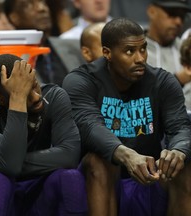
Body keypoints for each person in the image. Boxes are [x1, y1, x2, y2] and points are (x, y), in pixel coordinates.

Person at [63, 17, 191, 216]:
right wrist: (125, 154)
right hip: (98, 181)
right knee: (101, 161)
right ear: (107, 53)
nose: (140, 58)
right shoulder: (80, 81)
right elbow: (89, 126)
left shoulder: (162, 81)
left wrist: (178, 150)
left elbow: (181, 126)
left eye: (143, 49)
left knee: (183, 162)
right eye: (129, 51)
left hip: (150, 178)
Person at [0, 53, 87, 216]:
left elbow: (69, 155)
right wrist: (17, 100)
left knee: (71, 177)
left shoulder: (54, 96)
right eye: (25, 94)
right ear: (1, 99)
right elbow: (11, 164)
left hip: (38, 188)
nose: (36, 97)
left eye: (34, 85)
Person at [4, 0, 82, 86]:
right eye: (29, 4)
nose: (42, 8)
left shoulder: (76, 47)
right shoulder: (8, 60)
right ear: (14, 17)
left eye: (44, 3)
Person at [146, 0, 191, 109]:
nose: (178, 22)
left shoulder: (187, 50)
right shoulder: (134, 52)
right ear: (152, 11)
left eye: (182, 16)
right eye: (172, 13)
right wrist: (178, 80)